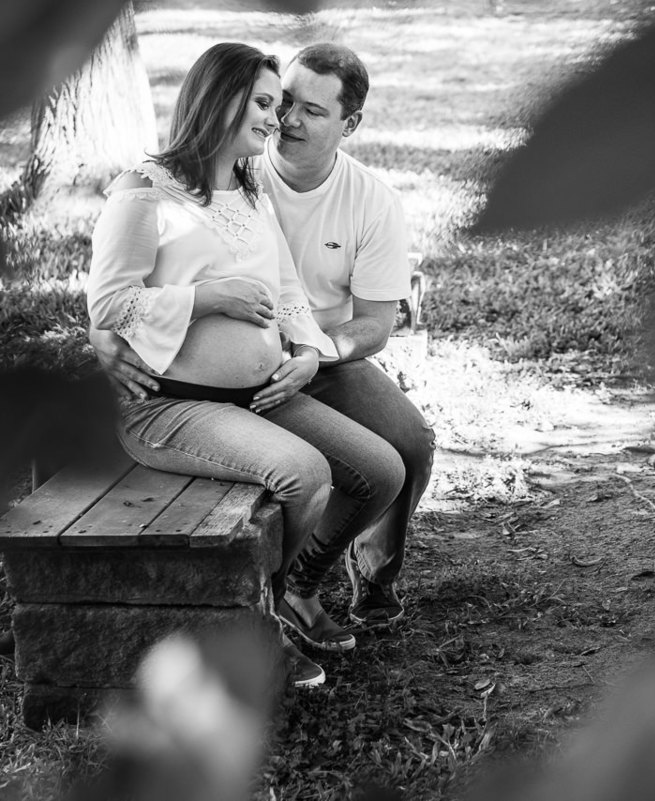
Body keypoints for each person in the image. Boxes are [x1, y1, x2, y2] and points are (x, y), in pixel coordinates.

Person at [92, 43, 435, 651]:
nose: (281, 120)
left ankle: (301, 586)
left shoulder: (256, 190)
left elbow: (292, 293)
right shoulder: (148, 189)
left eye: (299, 109)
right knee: (307, 473)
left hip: (280, 379)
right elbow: (110, 301)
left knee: (389, 462)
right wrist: (205, 299)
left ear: (348, 124)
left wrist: (307, 351)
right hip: (175, 397)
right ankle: (266, 617)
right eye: (271, 104)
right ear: (219, 100)